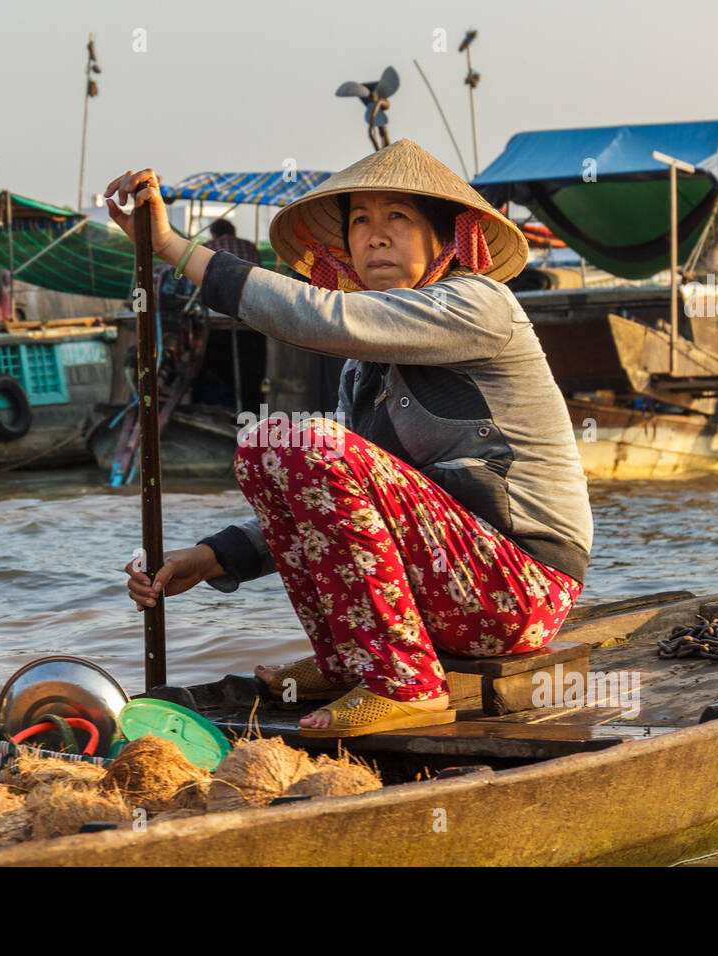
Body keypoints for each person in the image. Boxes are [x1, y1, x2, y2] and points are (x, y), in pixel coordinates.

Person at [113, 140, 593, 738]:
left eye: (398, 217)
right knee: (268, 453)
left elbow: (323, 317)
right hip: (450, 587)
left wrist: (170, 247)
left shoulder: (481, 305)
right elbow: (337, 504)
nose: (376, 236)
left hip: (520, 589)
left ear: (446, 239)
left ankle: (405, 686)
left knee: (294, 441)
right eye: (361, 221)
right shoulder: (362, 369)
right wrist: (210, 557)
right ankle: (350, 665)